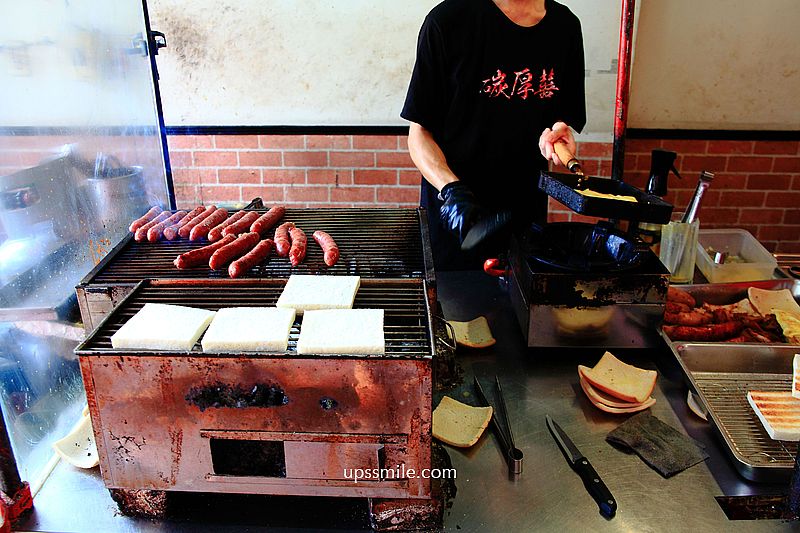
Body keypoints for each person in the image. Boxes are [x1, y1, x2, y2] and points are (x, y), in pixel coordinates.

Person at [401, 0, 586, 270]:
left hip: (523, 217)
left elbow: (560, 117)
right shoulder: (448, 20)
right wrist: (452, 191)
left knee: (518, 307)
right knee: (452, 307)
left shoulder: (565, 26)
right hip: (457, 218)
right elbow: (418, 134)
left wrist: (558, 133)